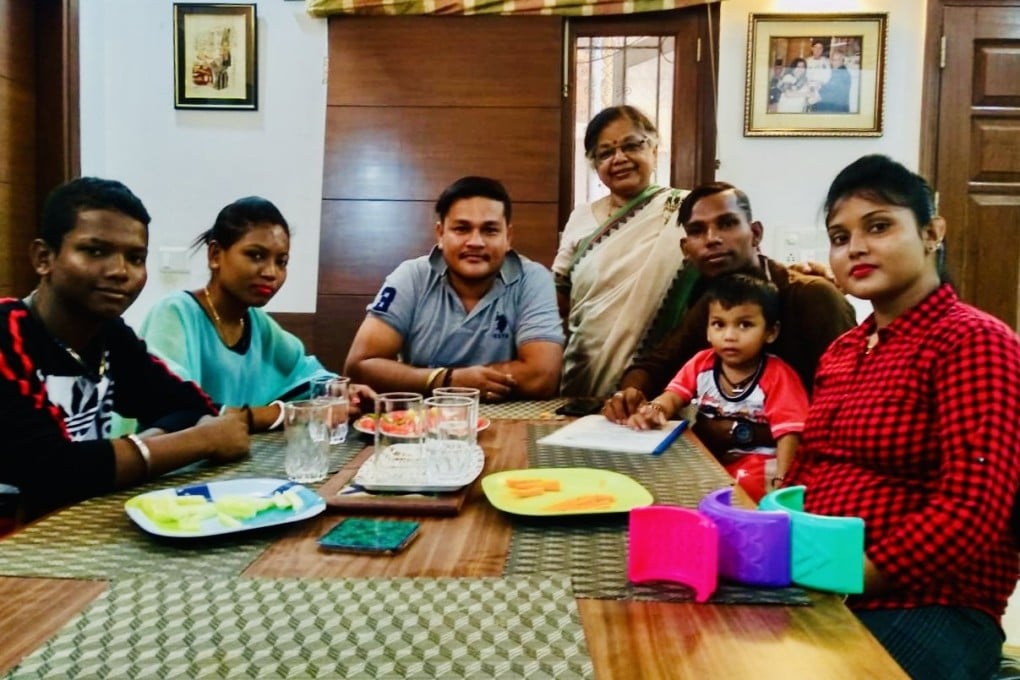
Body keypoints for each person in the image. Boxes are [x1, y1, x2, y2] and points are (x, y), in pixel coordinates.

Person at [784, 155, 1020, 679]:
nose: (856, 248)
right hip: (822, 583)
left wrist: (850, 575)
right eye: (840, 237)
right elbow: (808, 468)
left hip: (933, 604)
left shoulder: (973, 341)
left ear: (932, 233)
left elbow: (973, 507)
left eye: (878, 226)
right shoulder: (843, 351)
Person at [0, 177, 249, 518]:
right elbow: (52, 471)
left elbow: (189, 405)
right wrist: (202, 441)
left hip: (73, 526)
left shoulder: (109, 335)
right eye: (95, 251)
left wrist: (137, 449)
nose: (120, 271)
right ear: (44, 258)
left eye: (135, 257)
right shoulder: (9, 334)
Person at [603, 181, 856, 457]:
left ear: (755, 234)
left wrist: (741, 432)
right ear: (686, 249)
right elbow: (657, 365)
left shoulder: (812, 297)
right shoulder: (713, 304)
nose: (711, 238)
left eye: (726, 224)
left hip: (806, 464)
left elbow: (851, 411)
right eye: (697, 231)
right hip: (729, 462)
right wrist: (629, 394)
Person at [140, 196, 366, 432]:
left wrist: (343, 391)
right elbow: (173, 407)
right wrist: (283, 413)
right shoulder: (175, 312)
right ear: (215, 255)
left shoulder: (256, 323)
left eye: (281, 262)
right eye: (256, 255)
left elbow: (305, 373)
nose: (271, 272)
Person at [344, 176, 563, 402]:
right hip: (422, 418)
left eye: (490, 230)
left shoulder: (533, 279)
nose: (475, 242)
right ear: (440, 234)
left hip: (512, 419)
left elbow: (542, 376)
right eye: (461, 229)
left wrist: (451, 381)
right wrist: (447, 380)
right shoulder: (411, 277)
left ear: (508, 237)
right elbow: (359, 367)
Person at [626, 274, 808, 502]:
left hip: (763, 462)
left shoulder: (778, 376)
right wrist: (656, 409)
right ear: (707, 330)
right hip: (715, 458)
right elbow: (673, 396)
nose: (729, 336)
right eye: (719, 324)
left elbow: (790, 434)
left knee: (743, 486)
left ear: (771, 332)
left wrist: (783, 482)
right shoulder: (701, 364)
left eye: (744, 325)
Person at [553, 105, 690, 396]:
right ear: (595, 165)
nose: (619, 158)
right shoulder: (581, 217)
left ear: (654, 148)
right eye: (605, 153)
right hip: (584, 374)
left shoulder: (686, 209)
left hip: (662, 381)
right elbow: (557, 298)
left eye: (631, 146)